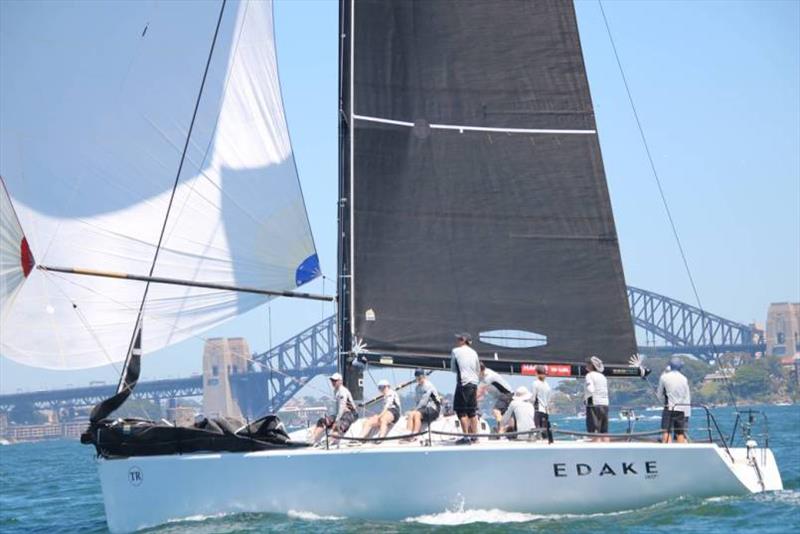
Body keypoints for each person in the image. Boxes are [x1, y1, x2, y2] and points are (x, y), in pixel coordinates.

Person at [311, 372, 358, 444]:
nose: (333, 382)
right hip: (340, 413)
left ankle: (329, 441)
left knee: (338, 425)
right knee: (322, 421)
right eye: (332, 381)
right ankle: (313, 439)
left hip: (350, 413)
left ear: (340, 381)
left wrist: (336, 421)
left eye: (335, 381)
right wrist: (331, 419)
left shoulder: (343, 391)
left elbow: (342, 407)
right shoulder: (336, 391)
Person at [450, 332, 480, 444]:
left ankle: (466, 437)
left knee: (461, 411)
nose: (457, 341)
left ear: (463, 340)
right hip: (474, 384)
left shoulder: (455, 351)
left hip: (463, 384)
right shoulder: (474, 353)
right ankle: (475, 437)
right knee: (472, 411)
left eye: (459, 339)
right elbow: (478, 369)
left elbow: (453, 369)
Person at [657, 356, 691, 443]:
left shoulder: (664, 377)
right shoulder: (684, 379)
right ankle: (681, 450)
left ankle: (668, 449)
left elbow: (659, 395)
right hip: (681, 409)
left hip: (669, 407)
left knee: (666, 431)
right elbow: (686, 396)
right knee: (680, 432)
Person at [403, 369, 441, 441]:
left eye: (420, 377)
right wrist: (413, 410)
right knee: (411, 414)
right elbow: (418, 402)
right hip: (423, 409)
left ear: (424, 376)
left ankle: (415, 434)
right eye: (417, 378)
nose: (419, 379)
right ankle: (407, 434)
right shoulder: (417, 388)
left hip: (433, 408)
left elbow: (424, 401)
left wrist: (415, 410)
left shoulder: (428, 385)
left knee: (417, 414)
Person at [478, 362, 514, 430]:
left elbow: (479, 392)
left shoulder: (488, 377)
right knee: (506, 415)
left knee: (496, 411)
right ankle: (510, 431)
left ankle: (500, 430)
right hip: (507, 394)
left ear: (480, 370)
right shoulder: (485, 373)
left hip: (506, 393)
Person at [584, 356, 609, 442]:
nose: (586, 364)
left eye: (588, 363)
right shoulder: (603, 376)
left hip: (594, 404)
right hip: (605, 404)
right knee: (604, 431)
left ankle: (595, 450)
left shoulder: (589, 375)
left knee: (594, 431)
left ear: (592, 365)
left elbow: (590, 388)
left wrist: (586, 398)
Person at [531, 365, 553, 443]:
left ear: (536, 373)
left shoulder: (535, 383)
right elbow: (549, 399)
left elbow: (533, 397)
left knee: (537, 427)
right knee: (545, 428)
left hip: (538, 409)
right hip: (546, 410)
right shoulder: (548, 385)